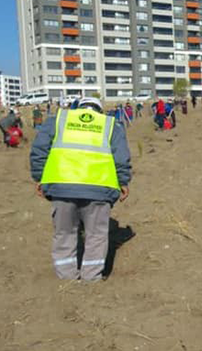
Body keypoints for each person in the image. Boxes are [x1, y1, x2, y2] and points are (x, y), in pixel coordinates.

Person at [30, 97, 132, 281]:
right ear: (99, 110)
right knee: (96, 235)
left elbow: (39, 150)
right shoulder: (110, 125)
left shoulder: (59, 119)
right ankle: (91, 279)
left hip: (61, 186)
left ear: (79, 108)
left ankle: (66, 278)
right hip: (100, 188)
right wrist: (123, 182)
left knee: (64, 233)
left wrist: (39, 178)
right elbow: (121, 157)